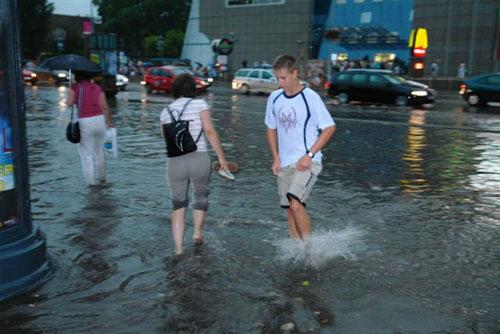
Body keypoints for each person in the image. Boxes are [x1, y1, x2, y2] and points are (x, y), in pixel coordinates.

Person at [265, 54, 336, 242]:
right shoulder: (274, 97)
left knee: (296, 205)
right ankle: (296, 248)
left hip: (308, 161)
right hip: (285, 163)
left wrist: (309, 155)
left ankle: (309, 249)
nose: (280, 83)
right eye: (277, 78)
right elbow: (271, 129)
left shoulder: (310, 97)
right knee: (289, 210)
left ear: (294, 73)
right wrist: (276, 158)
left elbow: (329, 128)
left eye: (283, 78)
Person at [160, 73, 229, 255]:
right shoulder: (200, 105)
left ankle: (178, 248)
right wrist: (222, 159)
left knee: (178, 204)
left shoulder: (165, 111)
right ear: (193, 88)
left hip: (174, 161)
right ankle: (197, 233)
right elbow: (209, 130)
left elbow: (165, 140)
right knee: (201, 196)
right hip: (198, 157)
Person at [66, 71, 112, 186]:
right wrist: (108, 123)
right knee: (99, 151)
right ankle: (102, 178)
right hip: (100, 120)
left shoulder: (75, 87)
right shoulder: (97, 87)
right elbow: (105, 107)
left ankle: (91, 184)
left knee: (86, 155)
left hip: (84, 121)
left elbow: (69, 103)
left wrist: (70, 92)